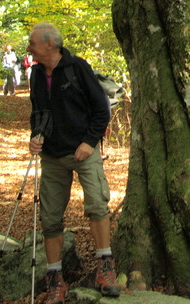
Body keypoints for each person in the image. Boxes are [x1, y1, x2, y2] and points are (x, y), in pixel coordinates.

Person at [28, 22, 120, 304]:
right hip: (52, 156)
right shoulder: (35, 73)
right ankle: (56, 280)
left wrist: (89, 142)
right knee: (50, 217)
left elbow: (101, 110)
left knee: (96, 204)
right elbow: (38, 111)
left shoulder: (77, 68)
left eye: (32, 42)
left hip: (83, 150)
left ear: (49, 45)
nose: (28, 47)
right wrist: (35, 136)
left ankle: (106, 269)